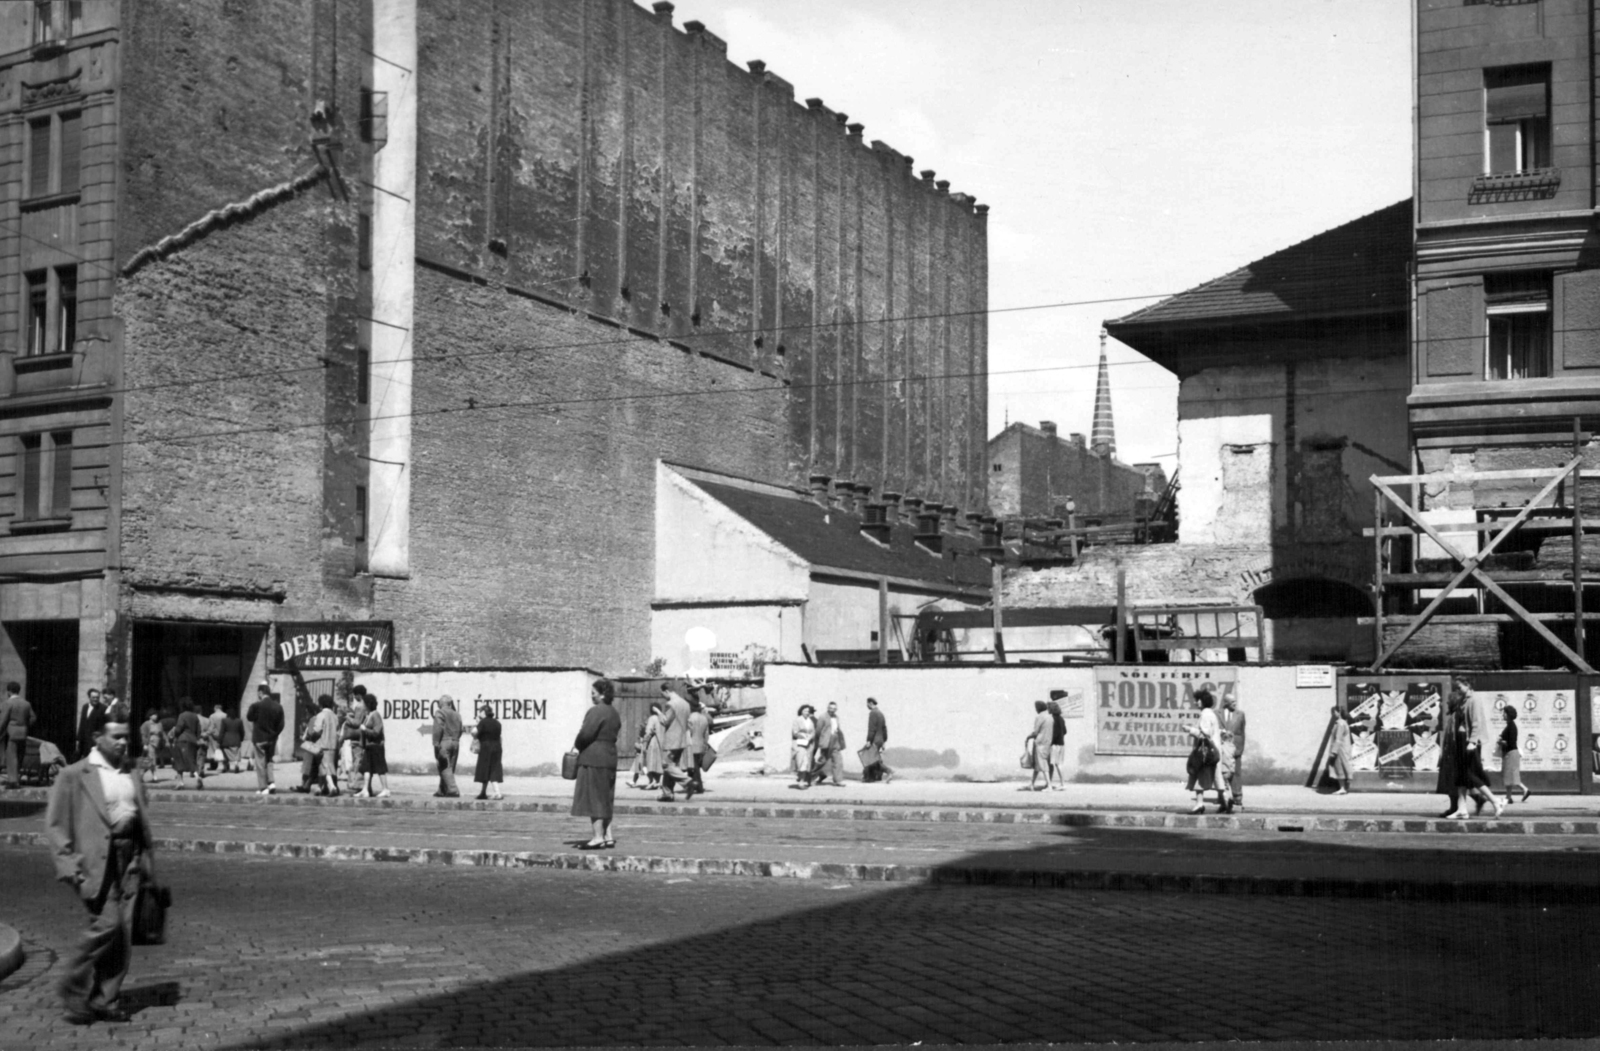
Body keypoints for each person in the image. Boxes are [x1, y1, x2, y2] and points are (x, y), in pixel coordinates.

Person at [46, 704, 157, 1026]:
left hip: (130, 859)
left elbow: (139, 816)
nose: (123, 743)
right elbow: (55, 826)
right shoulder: (74, 774)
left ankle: (104, 1000)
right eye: (117, 737)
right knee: (108, 925)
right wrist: (68, 867)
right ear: (98, 737)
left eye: (126, 737)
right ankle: (72, 981)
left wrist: (143, 858)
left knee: (122, 935)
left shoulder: (131, 771)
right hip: (95, 862)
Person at [572, 679, 622, 848]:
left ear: (602, 694)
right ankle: (608, 835)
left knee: (595, 798)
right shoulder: (614, 712)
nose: (592, 696)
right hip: (610, 756)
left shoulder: (596, 711)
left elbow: (585, 734)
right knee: (606, 797)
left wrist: (577, 745)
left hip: (594, 757)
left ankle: (597, 837)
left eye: (593, 693)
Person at [1456, 677, 1503, 818]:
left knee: (1470, 774)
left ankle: (1495, 801)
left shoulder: (1474, 699)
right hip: (1464, 741)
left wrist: (1472, 741)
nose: (1457, 690)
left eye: (1459, 687)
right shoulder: (1464, 699)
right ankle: (1462, 808)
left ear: (1467, 685)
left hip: (1470, 742)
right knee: (1462, 775)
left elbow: (1476, 723)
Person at [1186, 688, 1230, 813]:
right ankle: (1226, 799)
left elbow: (1205, 734)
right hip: (1214, 751)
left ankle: (1200, 804)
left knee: (1199, 776)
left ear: (1203, 701)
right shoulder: (1212, 714)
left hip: (1205, 752)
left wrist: (1189, 729)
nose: (1196, 702)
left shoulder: (1204, 714)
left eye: (1197, 700)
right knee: (1217, 777)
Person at [656, 682, 696, 802]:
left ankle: (687, 781)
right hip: (682, 739)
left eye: (662, 694)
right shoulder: (685, 704)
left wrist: (658, 712)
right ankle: (667, 793)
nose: (663, 696)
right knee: (672, 765)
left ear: (667, 691)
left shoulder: (671, 704)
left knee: (667, 765)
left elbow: (665, 721)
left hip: (672, 739)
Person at [246, 684, 284, 796]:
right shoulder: (278, 706)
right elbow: (281, 724)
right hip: (272, 739)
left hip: (259, 738)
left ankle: (263, 788)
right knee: (269, 761)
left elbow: (249, 717)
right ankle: (271, 783)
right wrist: (275, 734)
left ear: (260, 693)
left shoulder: (256, 706)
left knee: (260, 762)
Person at [0, 681, 34, 789]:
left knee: (11, 757)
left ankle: (13, 781)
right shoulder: (26, 703)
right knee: (19, 756)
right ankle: (16, 778)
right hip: (23, 732)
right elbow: (33, 717)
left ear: (9, 692)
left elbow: (3, 720)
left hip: (11, 733)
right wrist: (24, 725)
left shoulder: (7, 703)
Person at [358, 694, 390, 798]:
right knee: (367, 768)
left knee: (380, 768)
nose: (362, 705)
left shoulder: (376, 715)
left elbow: (377, 732)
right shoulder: (368, 715)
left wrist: (365, 729)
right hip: (369, 746)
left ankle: (385, 789)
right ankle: (365, 790)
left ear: (367, 704)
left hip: (376, 746)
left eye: (363, 703)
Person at [432, 695, 464, 798]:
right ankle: (442, 790)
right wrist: (455, 738)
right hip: (456, 742)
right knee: (450, 767)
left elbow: (438, 728)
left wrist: (436, 743)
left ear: (440, 704)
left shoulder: (440, 712)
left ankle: (453, 790)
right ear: (450, 703)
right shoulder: (457, 714)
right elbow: (461, 729)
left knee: (444, 766)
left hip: (444, 741)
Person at [1499, 705, 1530, 807]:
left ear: (1508, 715)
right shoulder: (1510, 725)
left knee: (1509, 775)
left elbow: (1510, 742)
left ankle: (1509, 797)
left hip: (1510, 753)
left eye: (1504, 713)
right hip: (1511, 753)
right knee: (1510, 775)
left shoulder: (1511, 726)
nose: (1503, 714)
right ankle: (1513, 795)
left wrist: (1501, 741)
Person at [472, 704, 504, 801]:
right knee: (493, 767)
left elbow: (474, 732)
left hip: (486, 747)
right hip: (497, 747)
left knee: (487, 769)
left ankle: (497, 793)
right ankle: (483, 793)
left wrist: (477, 724)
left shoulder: (483, 722)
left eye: (480, 712)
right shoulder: (498, 723)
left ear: (483, 712)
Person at [171, 698, 204, 790]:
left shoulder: (182, 715)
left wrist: (175, 733)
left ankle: (180, 782)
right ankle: (198, 777)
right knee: (191, 760)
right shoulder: (195, 716)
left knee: (179, 761)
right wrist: (196, 739)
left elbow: (178, 729)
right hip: (193, 741)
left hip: (183, 740)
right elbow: (199, 730)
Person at [812, 701, 846, 787]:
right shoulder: (823, 717)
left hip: (836, 740)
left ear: (836, 709)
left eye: (834, 709)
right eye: (830, 708)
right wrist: (822, 740)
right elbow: (818, 731)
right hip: (826, 741)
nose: (832, 710)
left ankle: (838, 780)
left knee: (838, 761)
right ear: (827, 708)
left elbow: (838, 728)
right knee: (822, 761)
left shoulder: (837, 717)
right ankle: (810, 776)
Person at [1222, 691, 1246, 810]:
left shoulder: (1240, 714)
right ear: (1225, 703)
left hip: (1235, 748)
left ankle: (1237, 798)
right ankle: (1223, 799)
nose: (1235, 704)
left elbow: (1242, 733)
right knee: (1223, 773)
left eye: (1235, 701)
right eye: (1232, 702)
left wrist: (1240, 748)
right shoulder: (1218, 714)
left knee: (1236, 773)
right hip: (1222, 749)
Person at [863, 697, 893, 783]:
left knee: (871, 759)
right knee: (874, 758)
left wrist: (869, 740)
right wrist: (884, 741)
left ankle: (888, 771)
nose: (867, 705)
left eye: (867, 703)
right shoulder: (881, 714)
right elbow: (884, 729)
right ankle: (871, 778)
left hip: (875, 740)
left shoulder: (872, 713)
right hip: (880, 740)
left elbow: (871, 729)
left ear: (870, 703)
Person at [1024, 701, 1052, 791]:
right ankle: (1032, 783)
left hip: (1040, 743)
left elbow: (1036, 732)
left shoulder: (1039, 717)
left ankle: (1049, 786)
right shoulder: (1050, 717)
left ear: (1038, 708)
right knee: (1038, 764)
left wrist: (1028, 737)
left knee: (1042, 764)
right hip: (1047, 743)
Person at [1325, 706, 1352, 795]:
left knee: (1339, 767)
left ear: (1338, 712)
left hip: (1340, 749)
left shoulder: (1340, 723)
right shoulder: (1343, 722)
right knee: (1343, 767)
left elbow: (1338, 739)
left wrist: (1334, 751)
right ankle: (1344, 788)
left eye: (1334, 712)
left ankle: (1342, 788)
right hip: (1343, 748)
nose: (1333, 714)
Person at [687, 697, 711, 793]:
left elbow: (689, 733)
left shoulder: (690, 718)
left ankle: (698, 786)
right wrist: (705, 744)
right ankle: (693, 785)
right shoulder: (704, 718)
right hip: (701, 746)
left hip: (692, 745)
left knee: (694, 768)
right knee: (695, 767)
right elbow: (706, 734)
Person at [75, 688, 106, 763]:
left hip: (94, 742)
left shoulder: (103, 708)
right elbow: (82, 723)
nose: (95, 699)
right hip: (83, 740)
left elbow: (103, 727)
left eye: (97, 697)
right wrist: (78, 739)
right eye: (93, 697)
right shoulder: (85, 707)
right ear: (89, 697)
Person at [790, 704, 816, 789]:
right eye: (805, 711)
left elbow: (813, 732)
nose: (807, 713)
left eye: (808, 711)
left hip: (809, 744)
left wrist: (810, 736)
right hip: (799, 744)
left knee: (808, 762)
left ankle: (807, 779)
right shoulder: (797, 720)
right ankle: (801, 781)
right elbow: (794, 732)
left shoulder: (810, 721)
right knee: (802, 762)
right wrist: (803, 735)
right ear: (801, 711)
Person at [1046, 698, 1067, 791]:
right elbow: (1065, 731)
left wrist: (1050, 741)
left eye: (1048, 708)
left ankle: (1061, 783)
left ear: (1051, 709)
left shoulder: (1052, 719)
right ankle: (1061, 783)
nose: (1047, 709)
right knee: (1058, 764)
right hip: (1061, 743)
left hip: (1054, 744)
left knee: (1055, 764)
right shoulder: (1061, 719)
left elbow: (1052, 733)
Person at [137, 710, 163, 785]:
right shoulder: (146, 724)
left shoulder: (159, 724)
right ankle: (154, 776)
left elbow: (161, 734)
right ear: (150, 716)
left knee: (148, 761)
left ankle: (141, 775)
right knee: (152, 760)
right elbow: (143, 734)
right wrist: (145, 744)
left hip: (157, 744)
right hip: (150, 743)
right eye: (154, 714)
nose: (156, 716)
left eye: (156, 714)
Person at [218, 708, 244, 773]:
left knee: (225, 754)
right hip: (236, 739)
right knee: (236, 754)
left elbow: (222, 731)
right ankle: (236, 764)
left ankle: (225, 766)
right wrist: (241, 738)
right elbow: (242, 731)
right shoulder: (239, 721)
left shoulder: (224, 720)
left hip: (226, 740)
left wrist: (219, 740)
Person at [201, 703, 223, 773]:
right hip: (223, 735)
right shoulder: (225, 715)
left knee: (213, 751)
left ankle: (213, 766)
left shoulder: (212, 716)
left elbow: (211, 727)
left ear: (215, 708)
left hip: (214, 736)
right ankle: (226, 765)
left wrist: (207, 733)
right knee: (223, 750)